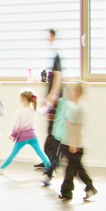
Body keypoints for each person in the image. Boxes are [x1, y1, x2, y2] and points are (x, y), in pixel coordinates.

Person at [57, 80, 97, 202]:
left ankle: (71, 190)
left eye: (71, 90)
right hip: (69, 142)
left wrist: (74, 143)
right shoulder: (73, 105)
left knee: (74, 169)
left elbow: (78, 126)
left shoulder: (80, 107)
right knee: (74, 168)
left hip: (74, 144)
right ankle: (70, 191)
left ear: (77, 92)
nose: (68, 93)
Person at [0, 91, 49, 173]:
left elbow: (16, 126)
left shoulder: (20, 111)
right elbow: (44, 111)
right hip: (33, 136)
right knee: (41, 153)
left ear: (24, 99)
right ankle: (50, 170)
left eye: (20, 98)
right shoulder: (34, 109)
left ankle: (1, 169)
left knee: (12, 154)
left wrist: (12, 134)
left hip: (22, 137)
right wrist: (48, 104)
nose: (19, 99)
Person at [39, 30, 65, 172]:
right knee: (50, 130)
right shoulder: (52, 56)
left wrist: (53, 96)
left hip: (56, 100)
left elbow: (58, 76)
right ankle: (48, 161)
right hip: (53, 99)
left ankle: (52, 162)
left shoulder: (56, 55)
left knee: (53, 131)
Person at [41, 86, 71, 186]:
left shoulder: (70, 104)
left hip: (64, 136)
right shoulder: (62, 102)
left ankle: (50, 174)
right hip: (58, 134)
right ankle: (48, 174)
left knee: (68, 160)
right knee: (54, 156)